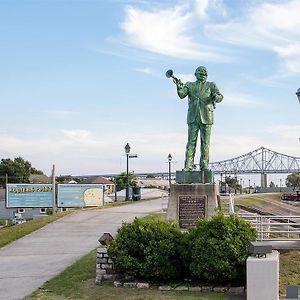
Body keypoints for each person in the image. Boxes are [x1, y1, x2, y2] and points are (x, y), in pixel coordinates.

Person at [176, 66, 223, 171]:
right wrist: (179, 87)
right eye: (200, 72)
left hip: (207, 117)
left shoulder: (211, 85)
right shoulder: (189, 85)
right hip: (193, 116)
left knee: (205, 143)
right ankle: (188, 165)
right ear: (195, 74)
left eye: (204, 72)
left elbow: (220, 96)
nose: (202, 73)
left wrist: (216, 97)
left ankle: (204, 165)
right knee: (191, 142)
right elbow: (182, 94)